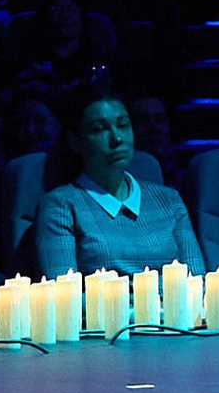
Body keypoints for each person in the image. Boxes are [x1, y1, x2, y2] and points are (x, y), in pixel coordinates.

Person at [31, 86, 204, 278]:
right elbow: (64, 294)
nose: (117, 138)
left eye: (123, 125)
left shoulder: (168, 200)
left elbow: (197, 280)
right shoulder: (61, 205)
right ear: (75, 141)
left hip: (174, 307)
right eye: (99, 129)